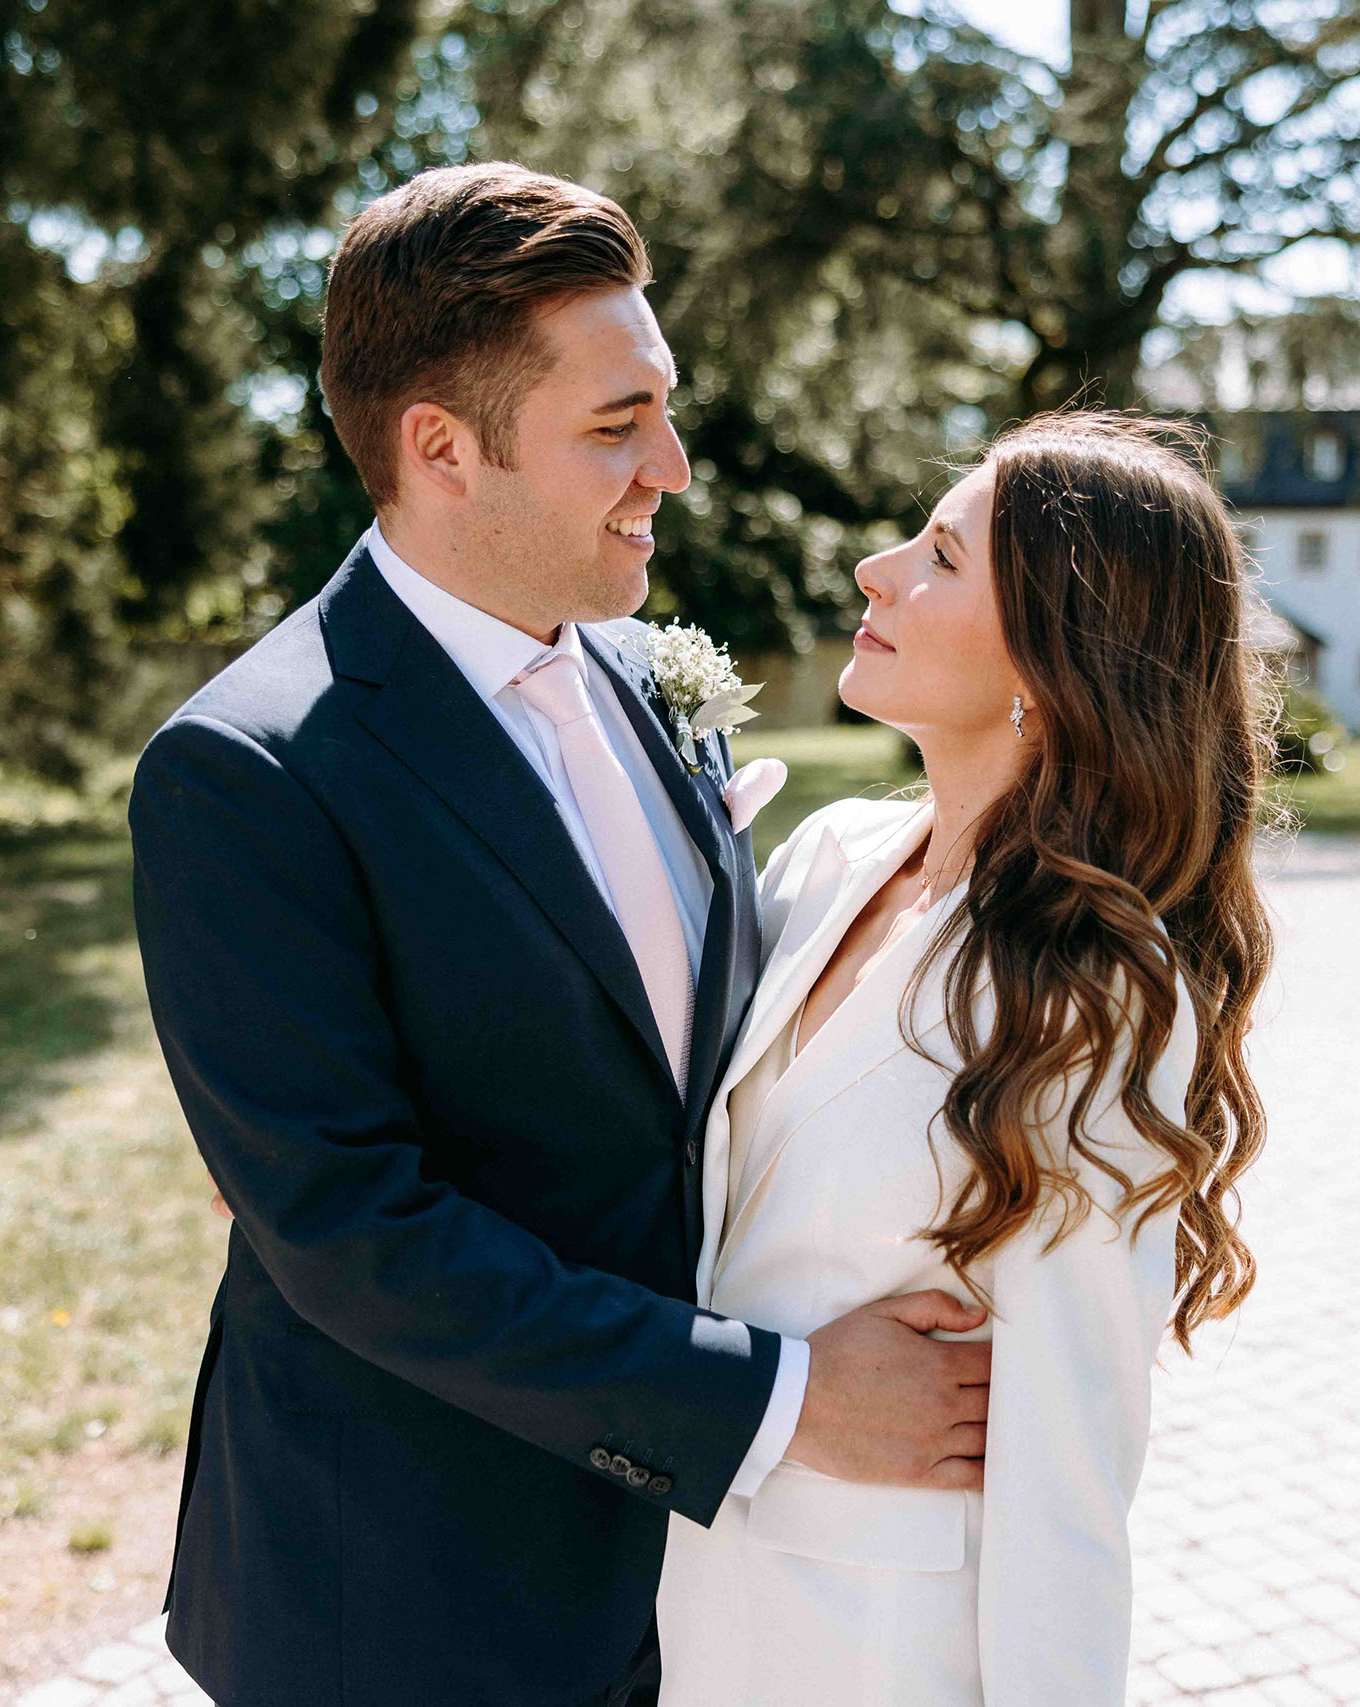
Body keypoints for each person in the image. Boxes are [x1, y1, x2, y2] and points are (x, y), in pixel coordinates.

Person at [126, 162, 994, 1707]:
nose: (671, 466)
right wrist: (783, 1402)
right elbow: (352, 1233)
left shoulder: (641, 673)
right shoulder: (249, 773)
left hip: (692, 1586)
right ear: (441, 448)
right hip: (408, 1592)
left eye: (662, 408)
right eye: (615, 424)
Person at [655, 412, 1278, 1706]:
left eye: (940, 556)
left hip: (885, 1655)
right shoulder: (831, 859)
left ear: (1051, 667)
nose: (878, 569)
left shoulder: (1099, 1000)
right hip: (683, 1606)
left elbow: (1069, 1475)